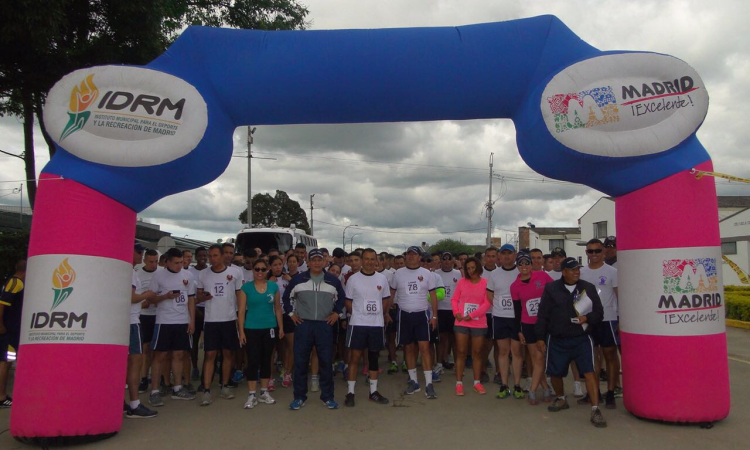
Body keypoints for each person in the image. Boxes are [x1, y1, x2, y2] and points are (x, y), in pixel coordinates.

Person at [536, 257, 607, 428]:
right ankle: (561, 398)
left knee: (589, 372)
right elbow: (543, 315)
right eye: (572, 269)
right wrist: (540, 337)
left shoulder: (587, 288)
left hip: (581, 338)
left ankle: (595, 409)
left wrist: (587, 318)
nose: (577, 272)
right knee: (556, 373)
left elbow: (599, 313)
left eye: (578, 269)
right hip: (557, 339)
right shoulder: (551, 289)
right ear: (564, 272)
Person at [283, 248, 346, 410]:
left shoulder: (333, 280)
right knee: (301, 361)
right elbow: (286, 298)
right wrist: (291, 314)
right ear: (308, 262)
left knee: (326, 361)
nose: (317, 263)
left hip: (324, 325)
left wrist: (336, 314)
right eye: (314, 260)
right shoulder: (298, 280)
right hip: (304, 325)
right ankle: (299, 396)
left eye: (320, 260)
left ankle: (327, 397)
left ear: (325, 262)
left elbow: (341, 299)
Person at [148, 248, 197, 406]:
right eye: (175, 263)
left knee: (179, 355)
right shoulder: (158, 275)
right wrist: (165, 297)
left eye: (181, 262)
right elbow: (151, 299)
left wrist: (191, 320)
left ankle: (177, 387)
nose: (179, 266)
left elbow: (190, 299)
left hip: (182, 321)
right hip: (164, 321)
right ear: (167, 262)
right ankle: (155, 390)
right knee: (160, 356)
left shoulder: (188, 275)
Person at [343, 248, 391, 407]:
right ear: (362, 260)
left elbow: (385, 300)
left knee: (373, 358)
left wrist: (379, 313)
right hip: (358, 324)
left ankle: (373, 392)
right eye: (367, 259)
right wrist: (358, 313)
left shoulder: (382, 279)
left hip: (376, 324)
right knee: (354, 358)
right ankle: (350, 392)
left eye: (373, 259)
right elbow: (348, 301)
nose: (370, 262)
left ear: (376, 260)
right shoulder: (353, 279)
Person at [390, 246, 439, 399]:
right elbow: (391, 294)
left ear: (419, 257)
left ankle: (429, 383)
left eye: (414, 255)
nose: (411, 257)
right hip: (404, 315)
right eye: (409, 254)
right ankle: (414, 381)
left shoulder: (427, 274)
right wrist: (386, 312)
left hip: (422, 314)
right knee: (409, 348)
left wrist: (435, 316)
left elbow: (433, 296)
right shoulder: (397, 274)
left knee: (424, 347)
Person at [198, 245, 243, 406]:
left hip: (229, 319)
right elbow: (197, 296)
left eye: (215, 255)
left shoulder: (236, 272)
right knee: (210, 355)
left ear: (223, 256)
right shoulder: (203, 274)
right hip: (211, 320)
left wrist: (240, 317)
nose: (212, 259)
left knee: (228, 354)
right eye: (210, 256)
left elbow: (239, 295)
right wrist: (203, 297)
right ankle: (207, 390)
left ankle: (225, 385)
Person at [238, 259, 284, 409]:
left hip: (269, 327)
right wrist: (241, 331)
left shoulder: (273, 286)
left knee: (266, 359)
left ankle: (264, 392)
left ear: (267, 270)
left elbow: (277, 308)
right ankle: (252, 394)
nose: (259, 272)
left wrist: (280, 327)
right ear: (253, 270)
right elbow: (241, 312)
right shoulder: (246, 288)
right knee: (253, 360)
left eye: (263, 269)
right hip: (251, 328)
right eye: (257, 269)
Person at [580, 239, 620, 409]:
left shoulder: (612, 271)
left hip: (608, 318)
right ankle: (593, 392)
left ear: (603, 251)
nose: (594, 254)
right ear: (587, 253)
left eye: (597, 251)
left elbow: (619, 294)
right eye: (591, 251)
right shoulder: (580, 272)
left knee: (610, 354)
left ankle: (610, 392)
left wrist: (621, 318)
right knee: (591, 356)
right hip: (588, 320)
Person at [511, 252, 554, 405]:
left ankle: (533, 390)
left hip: (544, 323)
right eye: (521, 264)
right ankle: (545, 387)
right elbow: (517, 310)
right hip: (527, 325)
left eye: (527, 263)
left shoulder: (542, 276)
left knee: (540, 357)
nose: (524, 267)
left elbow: (555, 291)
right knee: (537, 358)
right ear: (517, 266)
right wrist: (519, 330)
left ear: (531, 265)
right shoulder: (515, 286)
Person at [450, 257, 492, 395]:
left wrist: (473, 315)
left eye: (473, 267)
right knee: (461, 352)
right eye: (468, 268)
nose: (471, 270)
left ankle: (477, 382)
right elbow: (455, 299)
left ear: (478, 267)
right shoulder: (462, 282)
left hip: (478, 322)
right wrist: (456, 312)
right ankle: (459, 383)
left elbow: (487, 303)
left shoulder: (486, 283)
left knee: (477, 353)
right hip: (461, 321)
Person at [487, 244, 523, 399]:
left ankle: (517, 385)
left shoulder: (521, 271)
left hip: (517, 318)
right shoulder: (494, 274)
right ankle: (504, 385)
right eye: (504, 254)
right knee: (503, 351)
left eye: (510, 253)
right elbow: (490, 294)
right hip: (500, 316)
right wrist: (497, 307)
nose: (507, 256)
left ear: (515, 255)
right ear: (499, 256)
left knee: (516, 352)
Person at [127, 244, 159, 418]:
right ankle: (134, 404)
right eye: (139, 252)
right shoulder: (131, 272)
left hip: (127, 320)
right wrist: (148, 294)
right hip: (132, 321)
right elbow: (132, 297)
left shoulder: (125, 270)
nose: (141, 254)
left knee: (130, 363)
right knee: (135, 362)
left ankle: (125, 402)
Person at [0, 259, 26, 408]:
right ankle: (2, 397)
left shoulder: (15, 282)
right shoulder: (16, 283)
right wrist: (1, 325)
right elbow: (2, 305)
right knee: (5, 362)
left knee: (7, 362)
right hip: (8, 331)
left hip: (11, 331)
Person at [137, 249, 160, 393]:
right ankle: (144, 377)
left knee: (156, 349)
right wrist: (142, 302)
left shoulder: (162, 273)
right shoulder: (138, 274)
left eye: (156, 261)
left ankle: (158, 377)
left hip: (159, 315)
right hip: (144, 315)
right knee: (145, 348)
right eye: (151, 261)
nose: (154, 264)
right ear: (145, 260)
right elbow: (133, 296)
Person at [269, 255, 294, 388]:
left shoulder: (288, 279)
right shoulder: (267, 280)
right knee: (271, 348)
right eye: (275, 265)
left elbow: (298, 293)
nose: (278, 267)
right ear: (270, 267)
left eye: (280, 264)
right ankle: (269, 377)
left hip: (287, 315)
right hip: (271, 317)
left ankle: (287, 373)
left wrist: (291, 281)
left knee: (291, 345)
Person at [436, 252, 460, 372]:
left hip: (454, 311)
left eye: (449, 259)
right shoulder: (435, 274)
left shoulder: (458, 273)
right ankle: (439, 363)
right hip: (440, 310)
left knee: (455, 339)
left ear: (453, 260)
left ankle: (457, 365)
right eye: (444, 259)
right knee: (441, 338)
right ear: (441, 261)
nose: (446, 261)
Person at [478, 246, 498, 383]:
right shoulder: (479, 274)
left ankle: (499, 372)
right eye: (488, 256)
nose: (490, 259)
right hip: (484, 314)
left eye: (493, 256)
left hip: (499, 313)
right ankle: (483, 370)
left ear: (497, 258)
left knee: (499, 345)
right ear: (484, 258)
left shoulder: (502, 272)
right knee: (484, 345)